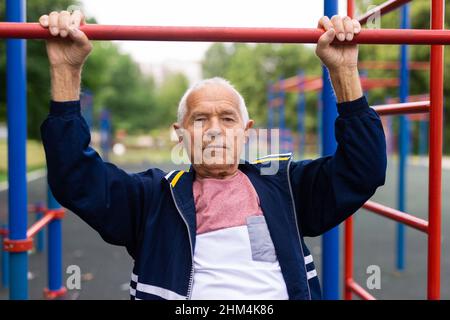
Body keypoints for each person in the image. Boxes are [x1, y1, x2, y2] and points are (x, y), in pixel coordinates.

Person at [39, 10, 386, 300]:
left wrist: (344, 73)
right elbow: (74, 178)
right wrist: (66, 72)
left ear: (245, 131)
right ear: (181, 133)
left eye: (227, 118)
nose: (215, 130)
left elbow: (363, 170)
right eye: (200, 119)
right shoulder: (153, 200)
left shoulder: (286, 190)